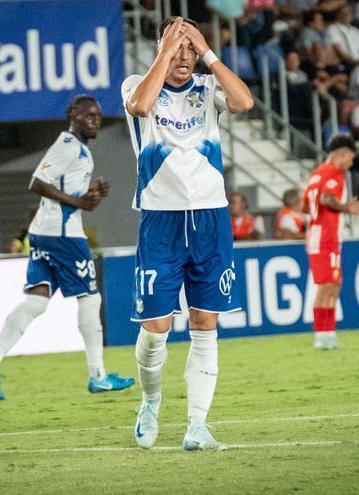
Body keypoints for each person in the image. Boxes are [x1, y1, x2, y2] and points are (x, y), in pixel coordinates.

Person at [122, 16, 254, 451]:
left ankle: (197, 425)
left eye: (189, 48)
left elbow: (244, 102)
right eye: (176, 47)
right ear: (161, 48)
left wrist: (208, 53)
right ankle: (150, 400)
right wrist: (165, 51)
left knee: (205, 322)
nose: (183, 56)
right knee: (156, 328)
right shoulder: (137, 84)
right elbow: (141, 107)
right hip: (160, 218)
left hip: (210, 217)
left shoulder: (208, 86)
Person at [0, 96, 134, 401]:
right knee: (90, 299)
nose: (95, 121)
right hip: (63, 236)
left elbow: (64, 192)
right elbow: (37, 182)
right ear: (73, 115)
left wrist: (89, 196)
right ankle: (98, 375)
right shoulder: (68, 145)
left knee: (36, 301)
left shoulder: (79, 149)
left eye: (98, 116)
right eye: (89, 115)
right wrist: (79, 202)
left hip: (44, 232)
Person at [303, 135, 359, 350]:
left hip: (320, 235)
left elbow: (306, 205)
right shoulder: (333, 173)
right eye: (351, 158)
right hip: (326, 238)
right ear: (343, 154)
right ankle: (323, 336)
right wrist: (347, 208)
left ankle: (328, 334)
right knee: (328, 287)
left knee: (332, 287)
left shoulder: (317, 174)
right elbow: (326, 199)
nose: (351, 163)